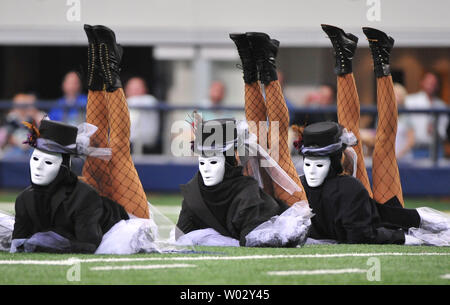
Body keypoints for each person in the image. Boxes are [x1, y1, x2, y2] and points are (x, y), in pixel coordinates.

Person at [292, 25, 449, 246]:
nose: (312, 169)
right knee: (374, 144)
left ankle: (356, 57)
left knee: (380, 144)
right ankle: (361, 56)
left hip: (384, 223)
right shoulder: (307, 184)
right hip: (375, 223)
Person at [176, 117, 312, 247]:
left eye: (213, 162)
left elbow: (252, 239)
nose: (206, 169)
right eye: (202, 162)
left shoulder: (246, 193)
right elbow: (181, 235)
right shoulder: (194, 192)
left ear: (229, 162)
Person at [405, 72, 449, 158]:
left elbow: (443, 132)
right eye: (428, 82)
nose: (431, 85)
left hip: (437, 150)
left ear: (437, 86)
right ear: (422, 82)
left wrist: (435, 130)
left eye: (433, 83)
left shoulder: (442, 105)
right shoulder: (410, 101)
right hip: (416, 149)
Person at [0, 93, 45, 159]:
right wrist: (18, 143)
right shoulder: (10, 118)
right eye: (18, 104)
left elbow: (36, 134)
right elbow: (9, 136)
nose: (21, 107)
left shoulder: (31, 119)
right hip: (13, 147)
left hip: (29, 147)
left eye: (23, 104)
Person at [124, 76, 161, 154]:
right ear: (126, 90)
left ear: (145, 89)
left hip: (146, 146)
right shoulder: (125, 103)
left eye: (138, 88)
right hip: (126, 145)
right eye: (132, 88)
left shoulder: (150, 100)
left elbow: (132, 102)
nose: (135, 91)